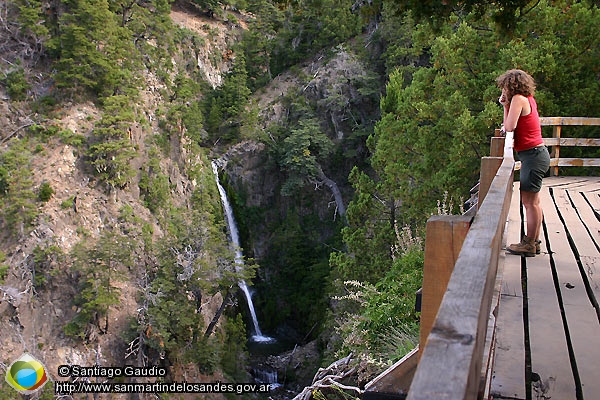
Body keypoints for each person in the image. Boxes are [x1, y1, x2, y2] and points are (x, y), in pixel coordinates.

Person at [497, 69, 550, 257]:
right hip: (536, 155)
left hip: (533, 156)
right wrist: (505, 106)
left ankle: (529, 244)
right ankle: (533, 241)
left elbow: (509, 127)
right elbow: (510, 126)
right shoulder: (528, 98)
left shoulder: (519, 99)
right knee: (533, 202)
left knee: (529, 202)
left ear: (511, 86)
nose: (503, 90)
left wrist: (506, 105)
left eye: (504, 87)